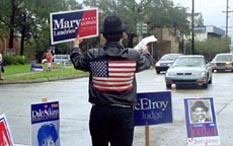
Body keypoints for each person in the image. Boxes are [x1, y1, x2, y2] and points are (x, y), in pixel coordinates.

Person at [70, 15, 153, 146]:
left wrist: (75, 46)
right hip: (124, 114)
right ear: (123, 35)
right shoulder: (133, 56)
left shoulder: (93, 56)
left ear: (103, 36)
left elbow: (77, 62)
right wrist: (145, 51)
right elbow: (147, 62)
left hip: (99, 113)